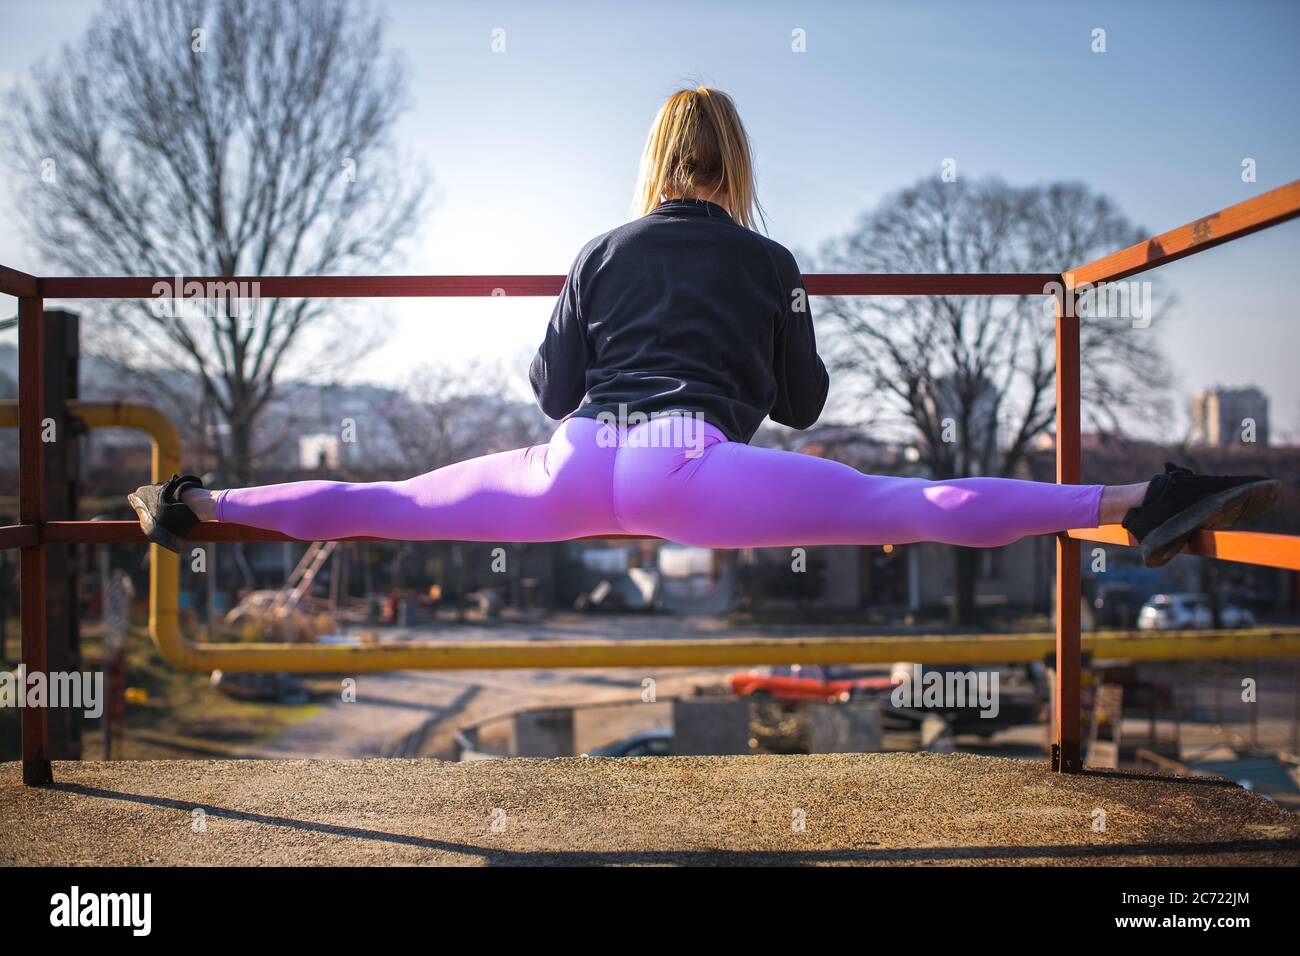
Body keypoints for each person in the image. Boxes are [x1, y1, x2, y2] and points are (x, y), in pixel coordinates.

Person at [128, 87, 1279, 570]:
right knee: (905, 509)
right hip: (697, 465)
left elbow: (550, 389)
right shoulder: (770, 259)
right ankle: (1147, 502)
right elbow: (803, 406)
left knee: (387, 504)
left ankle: (190, 504)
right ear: (737, 167)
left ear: (654, 166)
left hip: (572, 465)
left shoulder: (597, 249)